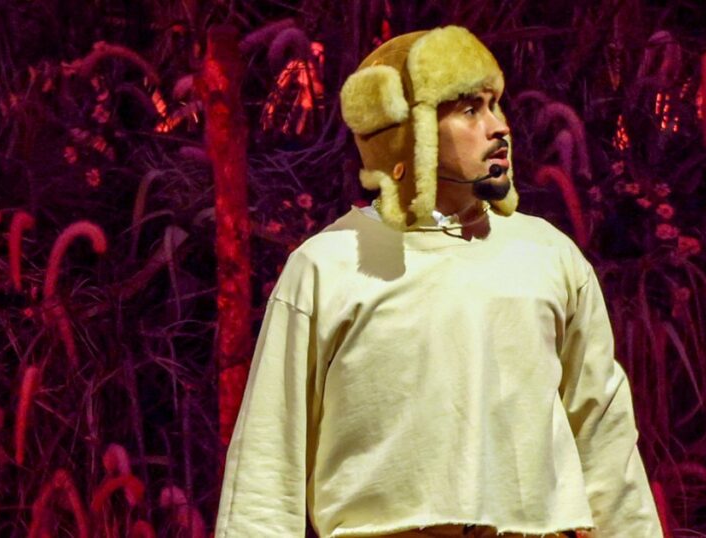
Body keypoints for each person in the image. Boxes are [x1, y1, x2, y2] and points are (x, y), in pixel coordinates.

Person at [214, 25, 662, 538]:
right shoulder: (328, 266)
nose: (499, 127)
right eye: (469, 110)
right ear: (405, 128)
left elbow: (604, 436)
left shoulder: (549, 257)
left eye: (495, 105)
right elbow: (268, 463)